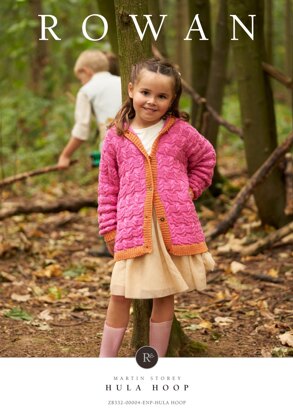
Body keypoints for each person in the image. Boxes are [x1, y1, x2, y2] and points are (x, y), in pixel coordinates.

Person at [97, 58, 216, 358]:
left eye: (162, 96)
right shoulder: (117, 136)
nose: (152, 101)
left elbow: (206, 158)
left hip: (170, 228)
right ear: (132, 89)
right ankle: (104, 361)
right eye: (146, 93)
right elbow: (108, 186)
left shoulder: (181, 132)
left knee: (165, 295)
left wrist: (189, 190)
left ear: (172, 100)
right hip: (132, 229)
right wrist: (108, 228)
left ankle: (155, 361)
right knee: (120, 294)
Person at [58, 49, 121, 169]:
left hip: (111, 149)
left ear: (85, 71)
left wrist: (65, 155)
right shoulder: (123, 81)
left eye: (80, 79)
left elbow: (82, 129)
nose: (82, 83)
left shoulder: (86, 90)